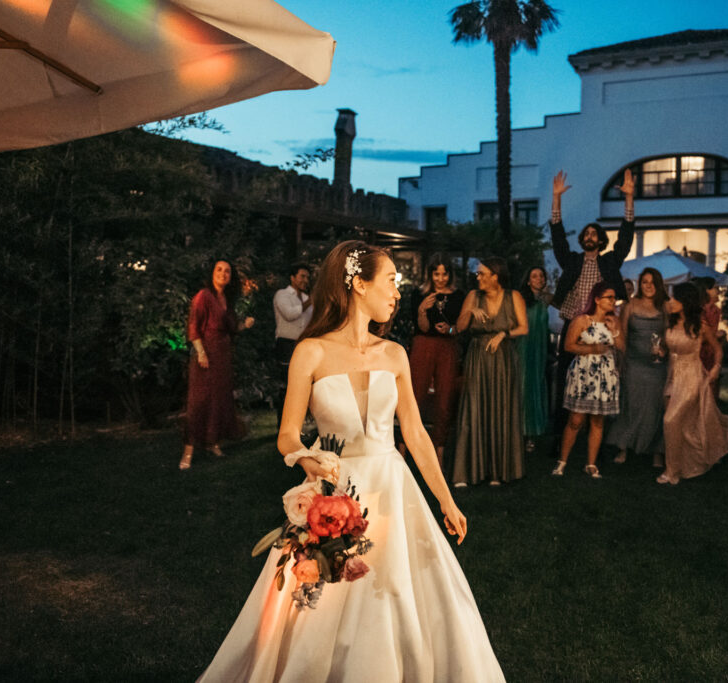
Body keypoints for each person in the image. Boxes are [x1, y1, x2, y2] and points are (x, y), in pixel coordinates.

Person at [198, 241, 504, 681]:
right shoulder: (312, 352)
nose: (397, 293)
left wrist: (446, 502)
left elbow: (415, 434)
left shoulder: (395, 354)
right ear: (359, 285)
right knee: (324, 603)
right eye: (390, 282)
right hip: (333, 493)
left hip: (393, 493)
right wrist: (306, 460)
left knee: (398, 592)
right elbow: (287, 434)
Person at [549, 169, 635, 432]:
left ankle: (598, 438)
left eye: (594, 234)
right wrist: (556, 199)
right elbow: (558, 237)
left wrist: (629, 199)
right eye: (586, 233)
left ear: (600, 240)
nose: (589, 236)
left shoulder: (609, 261)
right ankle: (561, 436)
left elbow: (625, 238)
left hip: (602, 328)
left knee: (602, 380)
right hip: (573, 325)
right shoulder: (572, 261)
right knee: (564, 379)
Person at [452, 257, 529, 487]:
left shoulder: (513, 296)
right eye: (478, 274)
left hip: (503, 359)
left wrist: (503, 334)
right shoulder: (473, 297)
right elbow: (459, 327)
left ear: (495, 276)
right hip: (478, 358)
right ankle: (467, 472)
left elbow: (523, 326)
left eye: (482, 273)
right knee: (474, 407)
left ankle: (497, 471)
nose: (478, 277)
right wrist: (471, 313)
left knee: (501, 409)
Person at [181, 259, 255, 470]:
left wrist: (245, 325)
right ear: (212, 273)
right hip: (205, 355)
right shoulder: (203, 296)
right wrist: (201, 353)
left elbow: (232, 329)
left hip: (223, 356)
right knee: (199, 402)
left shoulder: (226, 300)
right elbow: (194, 326)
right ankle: (188, 450)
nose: (223, 273)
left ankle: (213, 443)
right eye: (219, 270)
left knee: (219, 402)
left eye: (227, 271)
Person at [658, 282, 728, 485]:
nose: (671, 302)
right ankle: (682, 464)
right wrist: (661, 351)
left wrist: (717, 367)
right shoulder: (670, 322)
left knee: (670, 420)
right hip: (672, 376)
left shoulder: (700, 325)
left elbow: (717, 348)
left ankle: (671, 472)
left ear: (686, 301)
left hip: (691, 376)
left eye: (675, 298)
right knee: (679, 426)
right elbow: (667, 347)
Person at [552, 282, 624, 478]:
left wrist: (614, 331)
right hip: (584, 374)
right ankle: (562, 461)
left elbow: (622, 347)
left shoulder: (614, 321)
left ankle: (590, 464)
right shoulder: (582, 320)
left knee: (598, 421)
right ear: (597, 299)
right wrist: (593, 349)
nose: (613, 301)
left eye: (613, 297)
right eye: (609, 297)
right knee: (576, 419)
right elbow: (568, 346)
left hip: (605, 375)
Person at [606, 267, 669, 467]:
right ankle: (623, 446)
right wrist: (620, 361)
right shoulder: (630, 305)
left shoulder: (664, 307)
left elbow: (669, 335)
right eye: (644, 282)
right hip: (633, 363)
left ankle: (657, 451)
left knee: (655, 407)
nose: (648, 286)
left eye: (652, 282)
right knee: (631, 405)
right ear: (639, 285)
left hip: (657, 366)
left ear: (659, 285)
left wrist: (664, 351)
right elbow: (621, 334)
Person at [409, 256, 466, 466]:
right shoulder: (420, 294)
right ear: (430, 274)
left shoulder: (459, 296)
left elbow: (460, 326)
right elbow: (422, 327)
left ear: (449, 275)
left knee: (445, 398)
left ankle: (438, 449)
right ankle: (407, 446)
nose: (440, 279)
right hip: (424, 344)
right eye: (436, 274)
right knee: (416, 394)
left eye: (444, 274)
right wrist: (422, 309)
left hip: (447, 347)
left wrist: (450, 329)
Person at [273, 263, 313, 428]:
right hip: (286, 345)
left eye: (307, 277)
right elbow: (290, 314)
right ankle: (282, 426)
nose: (305, 280)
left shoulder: (307, 299)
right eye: (302, 276)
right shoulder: (282, 295)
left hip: (303, 345)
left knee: (302, 386)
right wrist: (310, 301)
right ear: (292, 277)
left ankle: (298, 425)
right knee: (286, 387)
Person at [518, 267, 551, 451]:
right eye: (534, 276)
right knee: (523, 387)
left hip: (540, 349)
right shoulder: (522, 300)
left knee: (536, 387)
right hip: (523, 347)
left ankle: (532, 433)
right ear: (528, 281)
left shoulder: (545, 300)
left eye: (541, 276)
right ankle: (520, 431)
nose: (539, 279)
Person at [694, 277, 724, 399]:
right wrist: (714, 335)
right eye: (715, 288)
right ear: (706, 290)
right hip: (699, 354)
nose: (719, 290)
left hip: (712, 353)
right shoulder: (699, 310)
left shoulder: (716, 310)